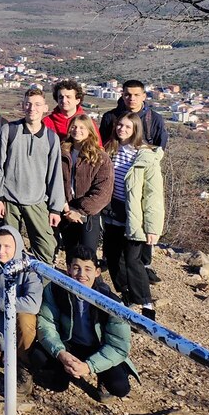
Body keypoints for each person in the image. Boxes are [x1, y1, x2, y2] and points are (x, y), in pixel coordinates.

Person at [33, 245, 137, 398]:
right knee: (42, 363)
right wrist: (61, 353)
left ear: (97, 272)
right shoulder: (55, 290)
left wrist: (89, 367)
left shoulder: (111, 303)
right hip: (68, 343)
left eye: (88, 269)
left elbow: (119, 346)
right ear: (68, 269)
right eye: (76, 268)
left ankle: (99, 376)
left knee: (119, 387)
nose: (81, 275)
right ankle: (65, 372)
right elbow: (47, 324)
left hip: (98, 346)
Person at [0, 88, 65, 264]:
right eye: (29, 104)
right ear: (23, 106)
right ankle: (10, 288)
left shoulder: (51, 138)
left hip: (37, 201)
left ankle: (39, 288)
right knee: (7, 250)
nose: (33, 108)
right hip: (10, 201)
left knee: (46, 249)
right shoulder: (9, 131)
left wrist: (55, 208)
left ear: (45, 108)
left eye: (37, 104)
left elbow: (55, 174)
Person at [103, 113, 164, 320]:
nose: (122, 129)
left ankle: (146, 304)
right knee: (112, 257)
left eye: (127, 126)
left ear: (136, 129)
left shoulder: (145, 157)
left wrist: (153, 228)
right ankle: (126, 294)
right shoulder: (110, 149)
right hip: (112, 211)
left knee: (132, 260)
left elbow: (153, 195)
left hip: (134, 215)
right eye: (120, 125)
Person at [0, 227, 43, 391]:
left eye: (7, 246)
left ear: (17, 246)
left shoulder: (31, 267)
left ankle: (23, 365)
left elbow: (32, 304)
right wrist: (6, 346)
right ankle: (6, 357)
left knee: (25, 318)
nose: (1, 251)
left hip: (23, 319)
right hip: (1, 322)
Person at [59, 114, 113, 257]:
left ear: (90, 131)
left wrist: (81, 211)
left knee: (87, 257)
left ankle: (94, 280)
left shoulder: (100, 157)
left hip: (88, 215)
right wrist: (64, 205)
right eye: (74, 126)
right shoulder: (61, 152)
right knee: (71, 255)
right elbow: (54, 181)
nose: (77, 130)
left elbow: (103, 191)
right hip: (65, 210)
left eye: (82, 127)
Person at [98, 80, 169, 149]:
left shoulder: (154, 119)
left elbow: (159, 148)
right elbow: (102, 144)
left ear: (144, 96)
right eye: (128, 95)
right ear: (122, 96)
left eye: (136, 95)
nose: (132, 98)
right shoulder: (110, 117)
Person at [44, 80, 102, 145]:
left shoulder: (88, 123)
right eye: (61, 97)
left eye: (68, 97)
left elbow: (98, 147)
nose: (64, 100)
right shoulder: (46, 123)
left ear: (77, 100)